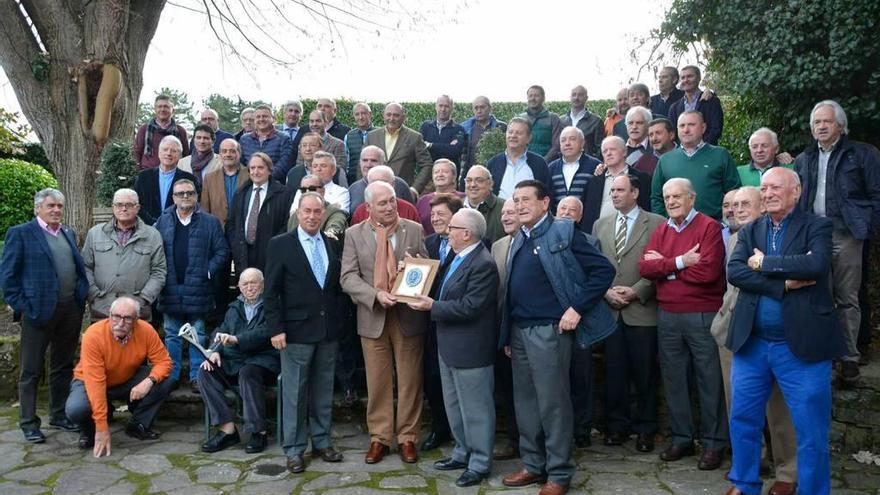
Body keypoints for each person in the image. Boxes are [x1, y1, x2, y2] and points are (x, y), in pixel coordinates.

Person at [724, 168, 847, 495]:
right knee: (743, 421)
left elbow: (815, 266)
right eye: (764, 188)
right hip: (752, 344)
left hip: (802, 348)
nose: (768, 193)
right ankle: (745, 483)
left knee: (810, 430)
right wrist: (783, 285)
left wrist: (764, 264)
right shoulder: (751, 230)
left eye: (776, 187)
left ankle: (812, 490)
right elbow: (735, 271)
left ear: (796, 191)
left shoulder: (817, 226)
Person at [500, 180, 615, 495]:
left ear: (544, 202)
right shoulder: (518, 238)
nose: (520, 205)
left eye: (526, 200)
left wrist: (576, 308)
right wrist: (507, 334)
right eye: (516, 199)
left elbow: (603, 271)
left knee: (553, 405)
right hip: (519, 332)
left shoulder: (564, 232)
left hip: (550, 331)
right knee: (525, 404)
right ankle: (533, 466)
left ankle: (559, 473)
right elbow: (511, 291)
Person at [711, 186, 799, 495]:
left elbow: (785, 282)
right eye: (733, 205)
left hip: (772, 332)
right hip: (732, 330)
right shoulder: (734, 238)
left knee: (779, 407)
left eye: (745, 203)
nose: (737, 209)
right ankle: (747, 470)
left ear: (763, 206)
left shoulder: (784, 237)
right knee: (739, 406)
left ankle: (788, 472)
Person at [639, 178, 729, 470]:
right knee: (674, 378)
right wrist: (679, 263)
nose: (671, 202)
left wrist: (665, 266)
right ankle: (682, 438)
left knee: (709, 378)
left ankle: (715, 443)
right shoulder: (663, 229)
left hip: (702, 313)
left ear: (692, 198)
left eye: (677, 196)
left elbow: (709, 273)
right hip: (667, 314)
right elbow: (645, 268)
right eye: (667, 197)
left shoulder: (709, 227)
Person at [408, 208, 499, 488]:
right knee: (455, 406)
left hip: (470, 349)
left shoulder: (482, 263)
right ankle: (462, 453)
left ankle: (480, 462)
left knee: (476, 409)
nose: (448, 232)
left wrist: (432, 306)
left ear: (466, 234)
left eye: (453, 228)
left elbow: (471, 307)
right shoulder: (458, 258)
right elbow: (442, 288)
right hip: (449, 347)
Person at [340, 181, 429, 465]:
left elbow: (427, 268)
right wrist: (374, 294)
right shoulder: (354, 234)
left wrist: (414, 265)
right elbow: (348, 277)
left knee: (410, 380)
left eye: (392, 200)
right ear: (369, 208)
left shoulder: (413, 229)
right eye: (383, 203)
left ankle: (408, 438)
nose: (390, 207)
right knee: (377, 381)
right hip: (373, 316)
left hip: (407, 317)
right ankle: (379, 438)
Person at [794, 100, 880, 380]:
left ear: (840, 126)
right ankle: (825, 353)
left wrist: (868, 226)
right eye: (816, 122)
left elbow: (876, 194)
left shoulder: (862, 154)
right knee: (818, 295)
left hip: (846, 232)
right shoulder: (804, 158)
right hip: (813, 234)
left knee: (847, 297)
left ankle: (849, 357)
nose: (820, 126)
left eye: (826, 121)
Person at [265, 193, 347, 472]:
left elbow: (333, 289)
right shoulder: (280, 245)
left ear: (323, 214)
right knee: (295, 393)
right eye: (307, 211)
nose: (312, 216)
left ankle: (322, 441)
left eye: (317, 212)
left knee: (323, 390)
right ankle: (295, 448)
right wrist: (276, 329)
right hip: (295, 332)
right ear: (298, 213)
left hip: (327, 332)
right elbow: (271, 292)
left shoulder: (331, 244)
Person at [1, 188, 88, 443]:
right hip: (38, 313)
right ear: (37, 207)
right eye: (51, 206)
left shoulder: (67, 233)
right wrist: (25, 306)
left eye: (60, 206)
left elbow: (77, 268)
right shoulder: (21, 234)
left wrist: (80, 297)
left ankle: (59, 415)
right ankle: (28, 423)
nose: (56, 210)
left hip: (69, 311)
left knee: (62, 366)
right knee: (31, 370)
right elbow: (8, 278)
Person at [592, 175, 665, 452]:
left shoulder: (656, 223)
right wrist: (605, 292)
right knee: (614, 373)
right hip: (610, 311)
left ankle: (646, 430)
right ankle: (617, 427)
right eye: (612, 191)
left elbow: (660, 264)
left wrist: (638, 291)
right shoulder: (601, 225)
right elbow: (594, 265)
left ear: (635, 192)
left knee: (645, 373)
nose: (615, 195)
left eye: (620, 190)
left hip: (642, 310)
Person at [65, 296, 174, 456]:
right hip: (89, 381)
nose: (120, 323)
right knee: (76, 409)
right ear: (109, 315)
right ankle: (90, 430)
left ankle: (138, 424)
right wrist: (102, 428)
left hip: (126, 378)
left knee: (168, 380)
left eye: (127, 318)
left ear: (136, 319)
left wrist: (149, 381)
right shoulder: (93, 335)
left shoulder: (146, 330)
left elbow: (164, 362)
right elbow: (96, 382)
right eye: (116, 316)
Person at [155, 179, 230, 391]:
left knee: (198, 333)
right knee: (172, 333)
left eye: (189, 193)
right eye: (180, 194)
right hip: (170, 287)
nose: (185, 197)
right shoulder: (163, 221)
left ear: (197, 195)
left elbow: (222, 251)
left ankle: (197, 376)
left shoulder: (210, 222)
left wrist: (207, 271)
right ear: (173, 197)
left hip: (198, 287)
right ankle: (172, 374)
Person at [197, 267, 278, 454]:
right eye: (245, 284)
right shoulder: (234, 307)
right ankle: (227, 430)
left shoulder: (272, 305)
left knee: (248, 372)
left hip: (264, 361)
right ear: (239, 286)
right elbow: (220, 330)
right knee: (205, 371)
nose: (249, 287)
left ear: (262, 285)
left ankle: (259, 431)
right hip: (235, 361)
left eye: (253, 283)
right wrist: (215, 351)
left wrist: (238, 339)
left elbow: (266, 332)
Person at [419, 193, 465, 452]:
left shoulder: (473, 245)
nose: (435, 218)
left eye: (441, 214)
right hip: (431, 325)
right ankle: (439, 428)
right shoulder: (429, 244)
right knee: (432, 379)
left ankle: (463, 434)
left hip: (459, 324)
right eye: (433, 214)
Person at [81, 188, 166, 320]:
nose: (124, 208)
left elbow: (159, 271)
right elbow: (85, 267)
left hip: (137, 312)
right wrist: (94, 295)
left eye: (129, 205)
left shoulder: (152, 235)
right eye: (119, 204)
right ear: (113, 207)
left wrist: (144, 298)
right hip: (102, 310)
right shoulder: (95, 233)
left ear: (137, 208)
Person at [651, 110, 741, 220]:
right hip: (676, 228)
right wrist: (665, 223)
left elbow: (734, 192)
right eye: (682, 126)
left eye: (691, 125)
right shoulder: (665, 160)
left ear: (703, 128)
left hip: (714, 225)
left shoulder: (720, 155)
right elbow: (656, 198)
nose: (686, 130)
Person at [489, 198, 520, 460]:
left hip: (526, 329)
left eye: (512, 213)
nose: (506, 217)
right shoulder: (498, 246)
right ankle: (514, 440)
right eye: (504, 213)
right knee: (507, 389)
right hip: (501, 329)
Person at [226, 152, 294, 274]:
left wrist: (275, 246)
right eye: (252, 168)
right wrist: (235, 244)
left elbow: (287, 224)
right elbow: (231, 223)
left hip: (271, 255)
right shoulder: (241, 193)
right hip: (244, 254)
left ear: (269, 170)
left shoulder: (284, 194)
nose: (256, 172)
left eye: (260, 168)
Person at [581, 136, 652, 233]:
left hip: (632, 233)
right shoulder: (593, 182)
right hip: (599, 234)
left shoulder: (641, 178)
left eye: (613, 149)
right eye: (605, 151)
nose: (608, 153)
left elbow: (646, 207)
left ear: (624, 152)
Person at [366, 103, 434, 192]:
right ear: (383, 116)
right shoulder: (372, 136)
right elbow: (363, 164)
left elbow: (427, 165)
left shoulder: (414, 137)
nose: (391, 118)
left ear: (403, 117)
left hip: (402, 192)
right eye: (388, 114)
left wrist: (414, 189)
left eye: (396, 115)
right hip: (375, 190)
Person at [133, 135, 198, 225]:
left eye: (173, 151)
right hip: (148, 228)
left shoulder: (189, 179)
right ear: (159, 153)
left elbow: (193, 206)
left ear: (180, 155)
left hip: (178, 228)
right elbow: (137, 204)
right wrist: (153, 223)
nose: (168, 153)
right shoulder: (144, 177)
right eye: (165, 149)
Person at [486, 117, 551, 199]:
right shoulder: (493, 163)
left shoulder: (539, 163)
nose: (513, 136)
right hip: (501, 211)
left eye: (518, 133)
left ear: (529, 138)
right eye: (510, 132)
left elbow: (547, 193)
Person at [548, 126, 600, 215]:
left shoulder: (595, 165)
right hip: (558, 222)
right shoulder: (552, 168)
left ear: (582, 143)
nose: (567, 143)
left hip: (587, 222)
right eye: (563, 140)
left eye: (572, 139)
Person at [348, 145, 415, 213]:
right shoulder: (353, 188)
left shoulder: (400, 185)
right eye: (365, 160)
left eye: (374, 161)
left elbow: (410, 213)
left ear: (383, 163)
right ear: (360, 162)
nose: (368, 165)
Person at [200, 138, 250, 229]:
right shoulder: (209, 178)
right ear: (220, 155)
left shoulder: (250, 176)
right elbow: (205, 210)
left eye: (232, 151)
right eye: (224, 151)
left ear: (239, 154)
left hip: (243, 230)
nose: (228, 154)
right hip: (218, 231)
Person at [668, 65, 724, 145]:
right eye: (683, 78)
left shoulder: (711, 102)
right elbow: (673, 133)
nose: (686, 80)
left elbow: (716, 129)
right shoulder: (674, 108)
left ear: (699, 78)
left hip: (707, 151)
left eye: (690, 76)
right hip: (683, 154)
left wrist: (701, 147)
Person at [239, 104, 295, 183]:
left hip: (275, 185)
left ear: (273, 119)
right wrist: (252, 177)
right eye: (258, 117)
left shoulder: (284, 138)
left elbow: (284, 164)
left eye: (265, 116)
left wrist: (264, 178)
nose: (261, 119)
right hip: (250, 184)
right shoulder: (244, 139)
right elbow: (241, 163)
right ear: (254, 120)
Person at [349, 165, 421, 225]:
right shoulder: (360, 212)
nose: (380, 186)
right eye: (375, 183)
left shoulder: (408, 210)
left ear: (393, 184)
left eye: (384, 182)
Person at [460, 96, 507, 185]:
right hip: (470, 174)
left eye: (482, 107)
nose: (479, 111)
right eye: (476, 108)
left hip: (493, 174)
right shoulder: (465, 128)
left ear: (490, 108)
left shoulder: (501, 127)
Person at [134, 94, 189, 170]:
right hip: (148, 173)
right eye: (159, 106)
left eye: (166, 107)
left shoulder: (180, 131)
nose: (162, 109)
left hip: (174, 174)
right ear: (155, 109)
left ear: (173, 110)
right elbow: (136, 153)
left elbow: (186, 155)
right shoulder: (144, 129)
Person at [416, 159, 465, 235]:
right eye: (436, 172)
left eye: (445, 172)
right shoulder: (422, 201)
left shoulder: (463, 198)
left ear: (454, 176)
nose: (440, 174)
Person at [420, 95, 467, 168]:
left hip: (450, 175)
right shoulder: (426, 127)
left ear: (452, 108)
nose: (443, 109)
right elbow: (421, 150)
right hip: (428, 173)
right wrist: (446, 147)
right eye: (440, 106)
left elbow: (455, 151)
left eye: (446, 106)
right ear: (436, 107)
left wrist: (430, 145)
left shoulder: (459, 129)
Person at [462, 165, 505, 243]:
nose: (473, 185)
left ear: (490, 184)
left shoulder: (504, 208)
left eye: (479, 180)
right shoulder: (456, 206)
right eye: (469, 180)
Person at [519, 85, 562, 162]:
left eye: (536, 96)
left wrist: (544, 161)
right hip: (523, 162)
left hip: (547, 163)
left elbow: (556, 145)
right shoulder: (520, 118)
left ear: (543, 98)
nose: (533, 98)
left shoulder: (553, 118)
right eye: (530, 96)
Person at [560, 85, 603, 158]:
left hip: (587, 165)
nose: (576, 98)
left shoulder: (596, 121)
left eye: (580, 95)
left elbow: (600, 148)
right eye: (574, 95)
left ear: (586, 98)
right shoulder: (561, 121)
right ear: (570, 97)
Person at [623, 106, 659, 175]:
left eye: (639, 123)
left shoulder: (656, 148)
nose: (634, 127)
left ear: (648, 125)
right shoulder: (618, 149)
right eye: (630, 123)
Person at [344, 102, 375, 183]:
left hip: (375, 178)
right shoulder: (349, 136)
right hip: (353, 180)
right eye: (357, 114)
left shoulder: (379, 133)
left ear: (370, 114)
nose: (360, 117)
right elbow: (346, 160)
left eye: (363, 113)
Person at [276, 100, 305, 166]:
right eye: (290, 110)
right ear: (284, 113)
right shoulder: (274, 130)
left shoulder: (304, 132)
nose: (293, 114)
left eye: (296, 111)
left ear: (301, 115)